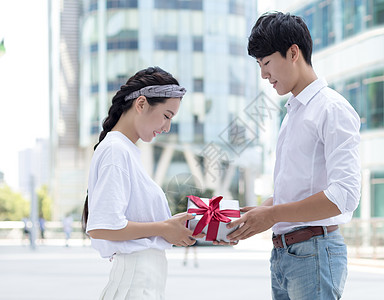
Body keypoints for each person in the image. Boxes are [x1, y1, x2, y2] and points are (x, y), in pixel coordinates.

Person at [226, 12, 361, 300]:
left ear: (293, 53)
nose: (263, 74)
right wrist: (255, 214)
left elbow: (344, 195)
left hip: (313, 252)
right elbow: (301, 190)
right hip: (287, 254)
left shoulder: (331, 109)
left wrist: (272, 214)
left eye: (266, 63)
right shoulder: (293, 112)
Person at [81, 66, 202, 299]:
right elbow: (101, 227)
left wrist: (171, 227)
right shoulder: (116, 150)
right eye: (166, 116)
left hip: (143, 282)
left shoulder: (125, 151)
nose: (167, 128)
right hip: (135, 284)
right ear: (141, 104)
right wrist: (163, 228)